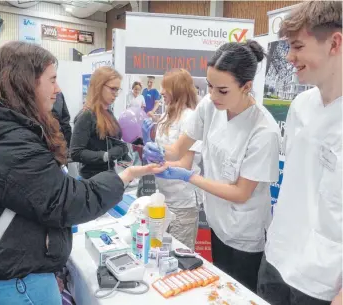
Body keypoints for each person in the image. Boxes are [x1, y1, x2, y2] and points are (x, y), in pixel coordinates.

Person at [0, 42, 165, 305]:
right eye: (52, 80)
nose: (58, 89)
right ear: (27, 82)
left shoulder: (15, 130)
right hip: (19, 282)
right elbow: (62, 193)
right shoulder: (15, 140)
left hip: (28, 265)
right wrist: (115, 166)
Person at [143, 40, 280, 293]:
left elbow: (241, 192)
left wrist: (190, 177)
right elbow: (178, 150)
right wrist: (158, 149)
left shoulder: (264, 131)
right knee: (217, 290)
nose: (214, 95)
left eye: (223, 90)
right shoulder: (210, 106)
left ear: (247, 86)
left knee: (239, 293)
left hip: (244, 234)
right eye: (209, 86)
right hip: (218, 223)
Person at [257, 2, 342, 305]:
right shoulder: (301, 107)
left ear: (334, 43)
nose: (289, 58)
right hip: (277, 261)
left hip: (322, 281)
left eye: (297, 47)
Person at [143, 69, 202, 250]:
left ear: (177, 90)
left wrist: (161, 165)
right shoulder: (165, 116)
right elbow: (162, 152)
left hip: (183, 203)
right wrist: (147, 143)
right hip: (163, 199)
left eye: (165, 88)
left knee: (179, 255)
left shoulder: (190, 118)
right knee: (160, 253)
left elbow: (185, 164)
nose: (161, 93)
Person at [70, 66, 129, 179]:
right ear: (99, 86)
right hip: (92, 179)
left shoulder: (108, 113)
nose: (116, 94)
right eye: (113, 89)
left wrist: (121, 148)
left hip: (109, 176)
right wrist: (105, 156)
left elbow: (116, 141)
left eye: (117, 90)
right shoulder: (86, 116)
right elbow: (75, 152)